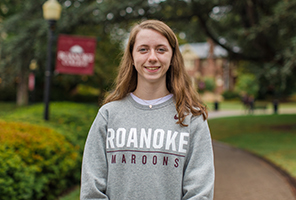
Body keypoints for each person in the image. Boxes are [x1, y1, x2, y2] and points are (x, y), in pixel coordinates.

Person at [80, 19, 215, 200]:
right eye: (143, 49)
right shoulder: (109, 114)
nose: (152, 57)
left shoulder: (192, 118)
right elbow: (92, 189)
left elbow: (200, 193)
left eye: (161, 49)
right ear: (132, 57)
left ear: (172, 57)